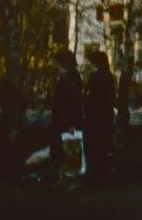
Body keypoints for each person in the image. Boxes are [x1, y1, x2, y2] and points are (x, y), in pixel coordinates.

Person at [49, 49, 84, 184]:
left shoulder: (70, 80)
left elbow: (73, 102)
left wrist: (72, 123)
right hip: (63, 119)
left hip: (66, 120)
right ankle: (64, 178)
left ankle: (70, 179)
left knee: (68, 149)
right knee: (64, 149)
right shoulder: (69, 78)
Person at [83, 50, 116, 186]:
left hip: (95, 116)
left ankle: (94, 176)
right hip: (106, 115)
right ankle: (104, 175)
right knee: (104, 145)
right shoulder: (109, 76)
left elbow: (90, 98)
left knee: (94, 147)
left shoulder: (94, 78)